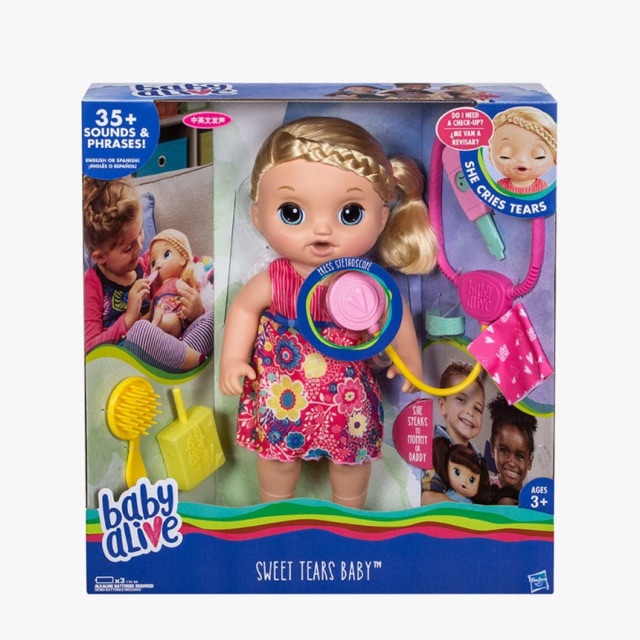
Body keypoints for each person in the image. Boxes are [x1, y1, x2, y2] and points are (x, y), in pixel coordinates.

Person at [219, 116, 439, 509]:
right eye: (292, 212)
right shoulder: (277, 278)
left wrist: (408, 359)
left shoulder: (366, 281)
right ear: (258, 217)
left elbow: (396, 314)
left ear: (382, 217)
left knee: (352, 462)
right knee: (276, 463)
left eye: (349, 213)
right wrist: (233, 359)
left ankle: (349, 514)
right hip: (283, 395)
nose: (321, 231)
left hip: (347, 401)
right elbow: (244, 309)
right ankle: (275, 512)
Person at [83, 176, 213, 372]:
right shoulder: (92, 284)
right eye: (128, 248)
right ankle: (195, 365)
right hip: (127, 363)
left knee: (211, 317)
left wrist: (195, 312)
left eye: (140, 232)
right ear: (101, 257)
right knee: (141, 330)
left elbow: (183, 272)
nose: (139, 247)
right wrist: (128, 319)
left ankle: (185, 362)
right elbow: (89, 351)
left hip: (169, 345)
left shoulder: (147, 264)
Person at [421, 360, 486, 505]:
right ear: (443, 406)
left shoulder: (478, 459)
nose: (470, 412)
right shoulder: (434, 450)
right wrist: (466, 513)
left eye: (477, 409)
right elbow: (428, 498)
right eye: (461, 400)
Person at [488, 106, 557, 194]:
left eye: (538, 156)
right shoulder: (500, 186)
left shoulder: (543, 187)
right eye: (505, 155)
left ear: (554, 158)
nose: (522, 160)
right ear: (490, 157)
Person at [487, 394, 538, 505]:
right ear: (492, 449)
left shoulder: (533, 500)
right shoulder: (482, 488)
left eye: (520, 456)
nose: (511, 463)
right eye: (504, 451)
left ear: (529, 462)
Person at [148, 229, 198, 338]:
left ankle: (160, 324)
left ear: (182, 259)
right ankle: (153, 327)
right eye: (153, 262)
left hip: (177, 318)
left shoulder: (176, 283)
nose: (158, 263)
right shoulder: (155, 292)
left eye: (166, 254)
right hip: (159, 328)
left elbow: (192, 296)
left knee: (173, 320)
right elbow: (150, 312)